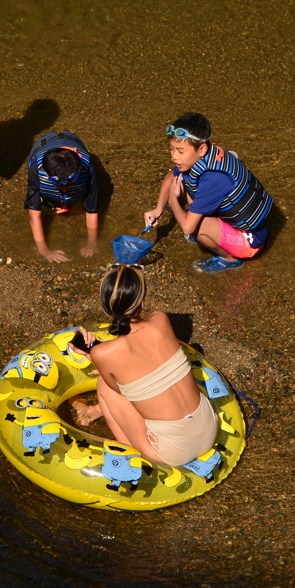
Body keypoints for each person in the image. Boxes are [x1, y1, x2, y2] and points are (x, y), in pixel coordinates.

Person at [68, 265, 218, 467]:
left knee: (105, 385)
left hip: (173, 453)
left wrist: (98, 357)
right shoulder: (161, 320)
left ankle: (131, 452)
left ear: (106, 306)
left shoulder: (102, 353)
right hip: (209, 428)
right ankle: (96, 411)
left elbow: (120, 391)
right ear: (142, 301)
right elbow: (144, 355)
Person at [143, 113, 273, 273]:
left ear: (202, 148)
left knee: (196, 226)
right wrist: (158, 209)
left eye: (181, 151)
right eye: (171, 149)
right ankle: (215, 234)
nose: (174, 156)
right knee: (183, 181)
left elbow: (187, 228)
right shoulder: (206, 155)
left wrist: (172, 199)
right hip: (243, 224)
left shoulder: (215, 179)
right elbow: (170, 177)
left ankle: (229, 259)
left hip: (251, 241)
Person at [24, 130, 100, 262]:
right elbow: (34, 213)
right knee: (47, 212)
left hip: (74, 142)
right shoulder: (37, 169)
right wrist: (44, 251)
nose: (65, 189)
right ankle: (57, 204)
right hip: (43, 145)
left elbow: (92, 209)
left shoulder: (87, 167)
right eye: (60, 186)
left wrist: (91, 243)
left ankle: (68, 205)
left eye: (70, 184)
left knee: (78, 210)